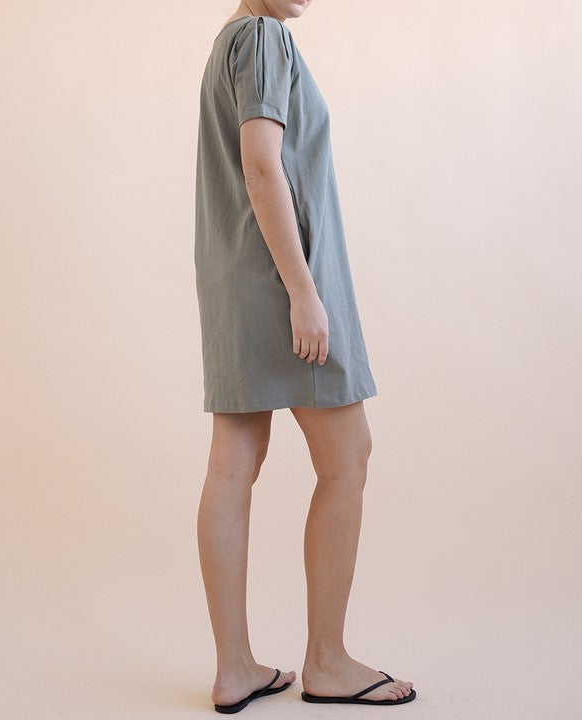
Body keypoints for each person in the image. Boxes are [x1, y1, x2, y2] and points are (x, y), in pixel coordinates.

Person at [194, 0, 416, 713]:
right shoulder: (264, 38)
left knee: (231, 467)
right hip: (279, 283)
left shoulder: (229, 42)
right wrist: (303, 292)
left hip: (234, 283)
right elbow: (262, 167)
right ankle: (327, 661)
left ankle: (235, 669)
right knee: (347, 457)